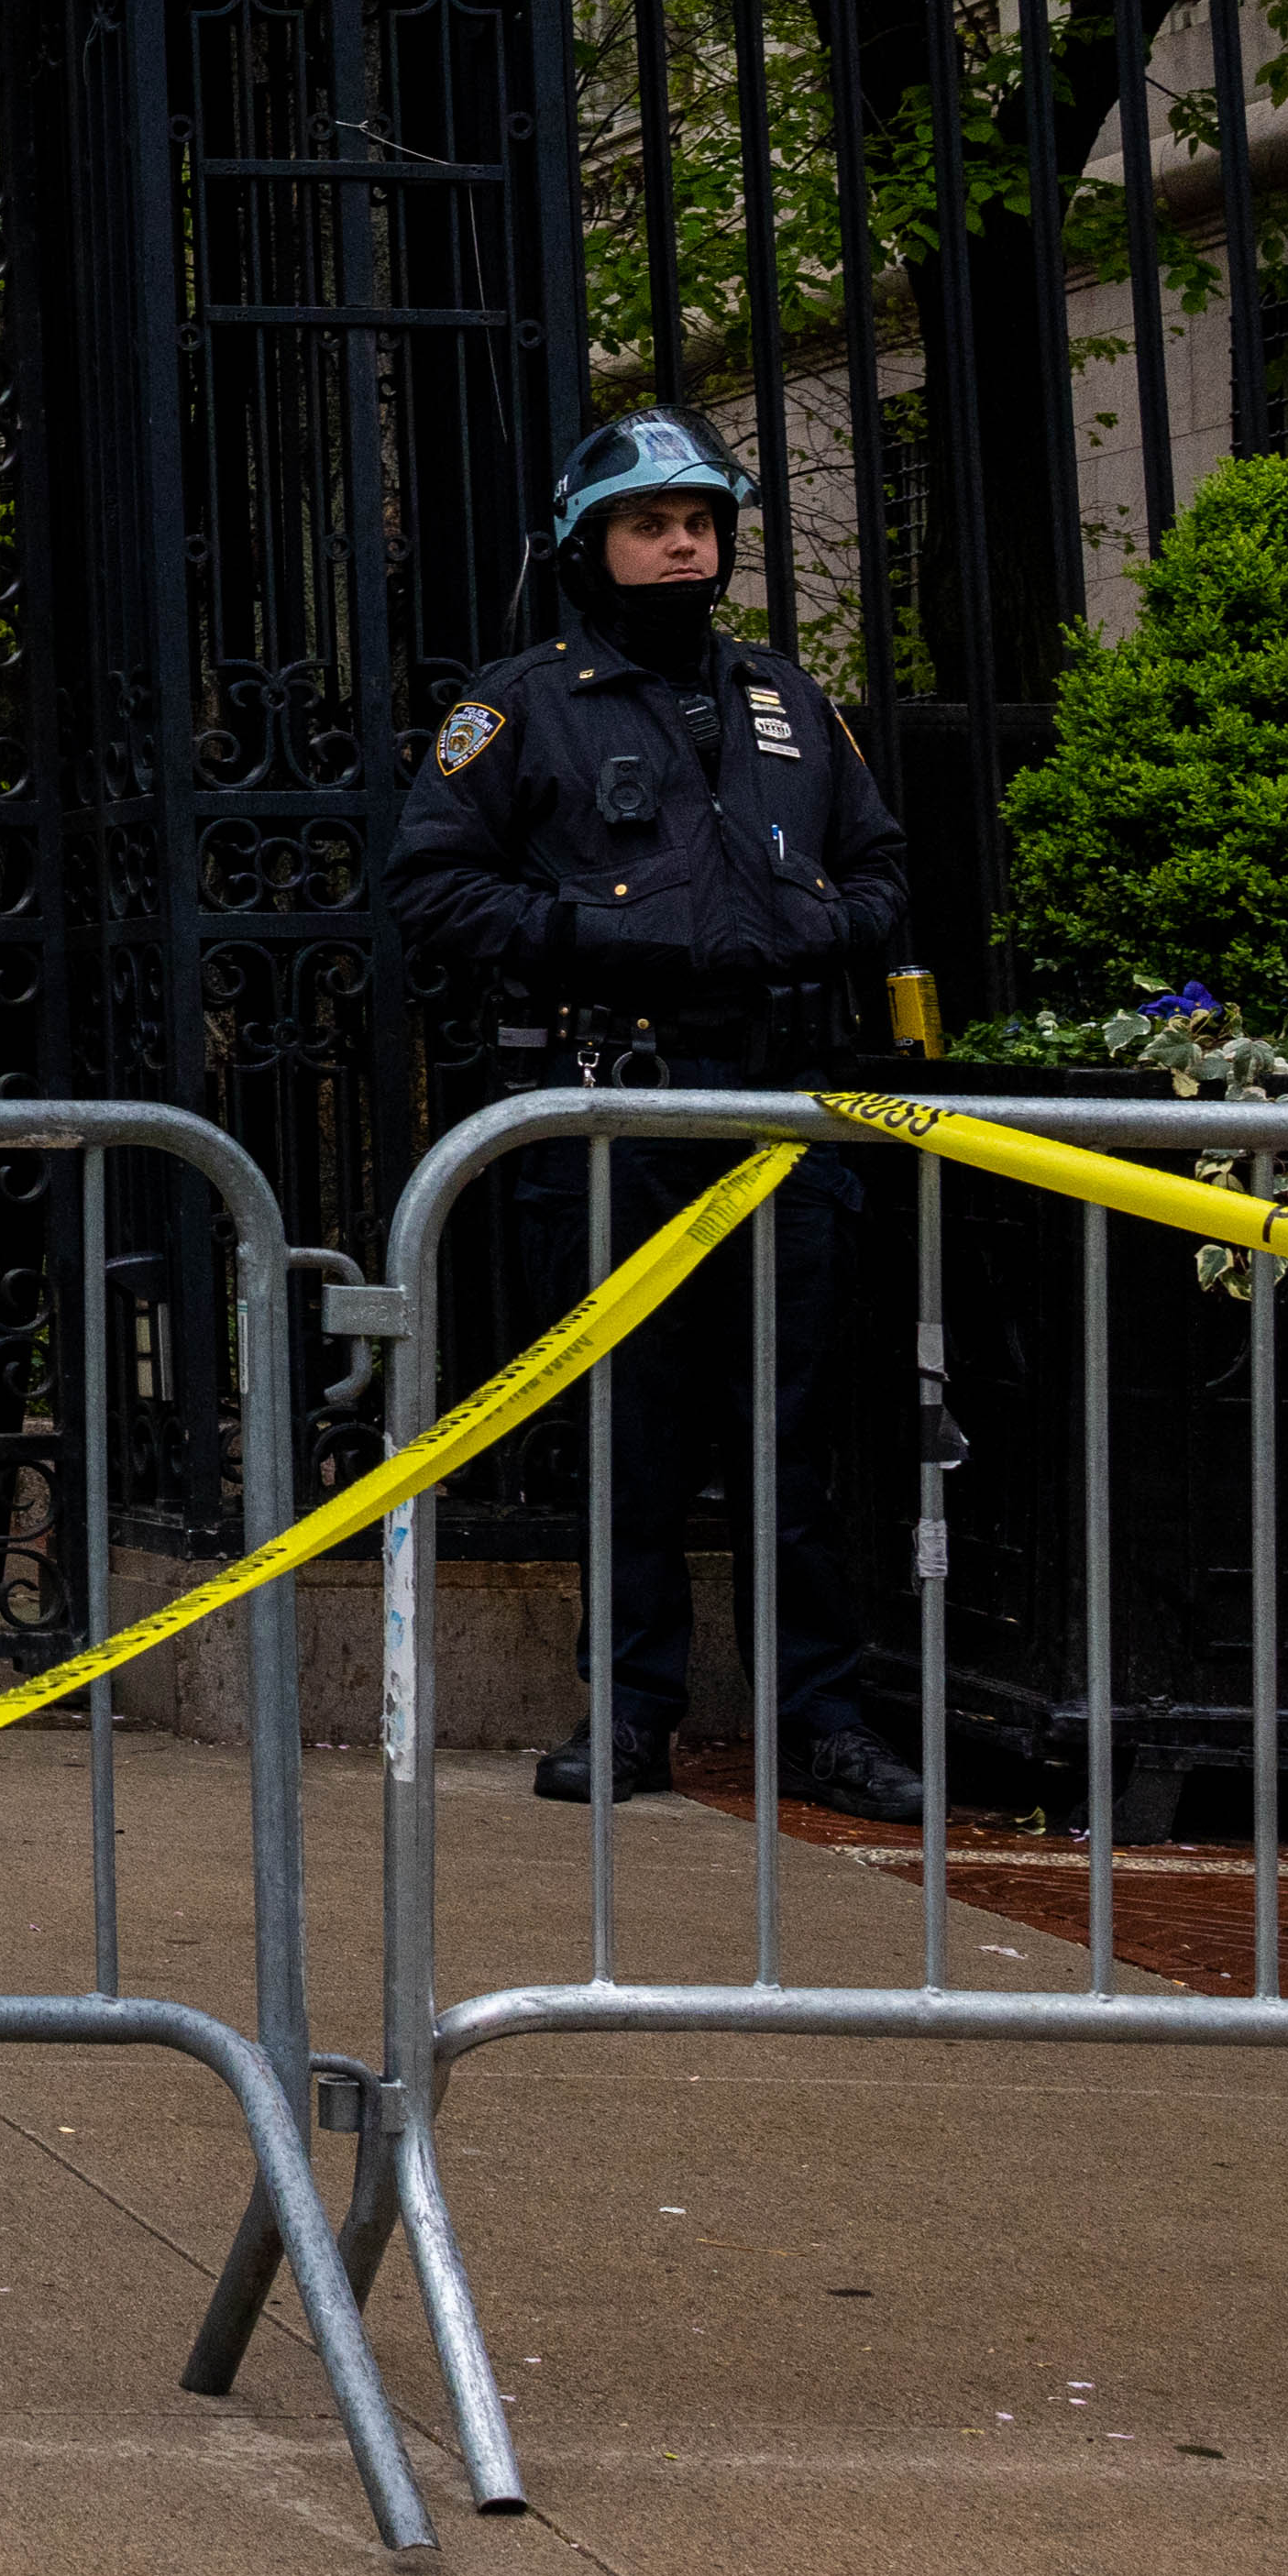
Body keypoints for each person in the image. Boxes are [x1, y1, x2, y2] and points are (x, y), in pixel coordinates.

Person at [388, 411, 925, 1820]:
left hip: (778, 1108)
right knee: (630, 1424)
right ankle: (629, 1716)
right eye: (647, 522)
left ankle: (820, 1718)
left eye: (697, 520)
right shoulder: (515, 706)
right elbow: (432, 890)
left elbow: (878, 870)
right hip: (613, 1109)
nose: (680, 541)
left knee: (787, 1432)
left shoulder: (786, 702)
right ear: (588, 546)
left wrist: (815, 929)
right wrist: (615, 937)